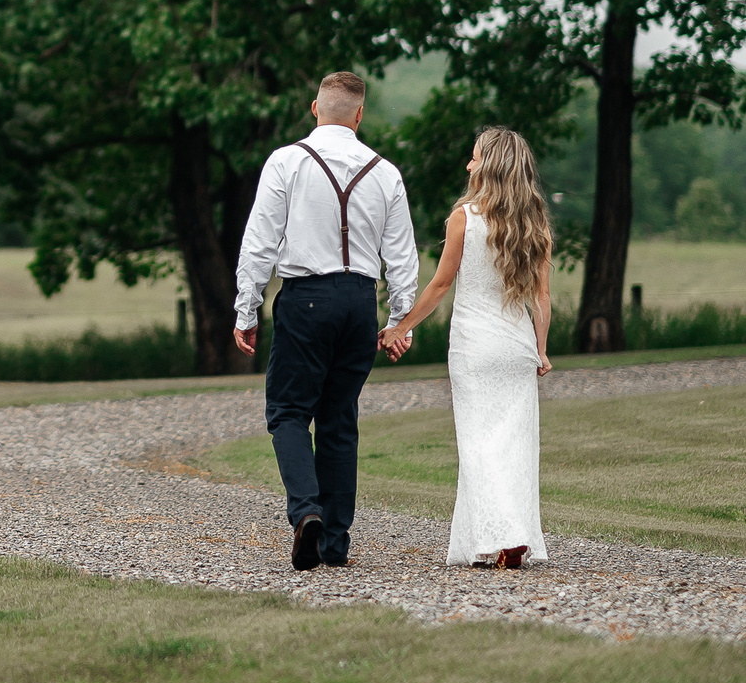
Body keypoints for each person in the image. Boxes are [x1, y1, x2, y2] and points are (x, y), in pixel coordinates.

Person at [231, 70, 419, 571]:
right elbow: (402, 256)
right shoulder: (386, 172)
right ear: (359, 116)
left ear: (315, 108)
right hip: (360, 301)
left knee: (289, 411)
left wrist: (245, 308)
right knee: (340, 419)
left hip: (305, 297)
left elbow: (260, 240)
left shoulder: (287, 161)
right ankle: (335, 543)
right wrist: (400, 319)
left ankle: (306, 511)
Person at [380, 126, 552, 569]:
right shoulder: (535, 224)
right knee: (514, 445)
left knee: (478, 445)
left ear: (489, 165)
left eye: (474, 157)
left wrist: (401, 327)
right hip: (517, 347)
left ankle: (503, 535)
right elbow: (543, 298)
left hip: (475, 348)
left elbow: (440, 285)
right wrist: (542, 349)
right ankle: (500, 538)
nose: (468, 164)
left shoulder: (466, 217)